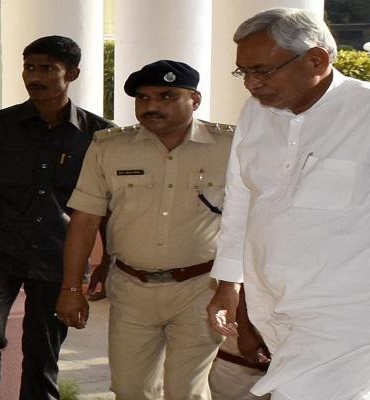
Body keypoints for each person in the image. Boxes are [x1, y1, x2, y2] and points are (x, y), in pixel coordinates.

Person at [206, 8, 370, 400]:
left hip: (357, 310)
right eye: (243, 72)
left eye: (263, 71)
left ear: (316, 60)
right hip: (277, 304)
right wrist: (230, 283)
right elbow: (242, 200)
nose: (251, 84)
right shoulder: (256, 114)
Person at [0, 35, 114, 400]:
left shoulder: (101, 136)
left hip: (59, 256)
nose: (34, 77)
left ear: (72, 73)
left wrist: (108, 260)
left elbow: (105, 207)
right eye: (29, 67)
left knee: (43, 352)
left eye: (47, 68)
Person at [55, 60, 232, 400]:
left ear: (194, 100)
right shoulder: (109, 148)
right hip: (131, 288)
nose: (151, 106)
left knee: (186, 392)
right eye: (143, 98)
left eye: (167, 96)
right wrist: (71, 287)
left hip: (200, 288)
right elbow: (84, 220)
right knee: (130, 389)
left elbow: (251, 220)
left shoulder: (229, 147)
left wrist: (233, 287)